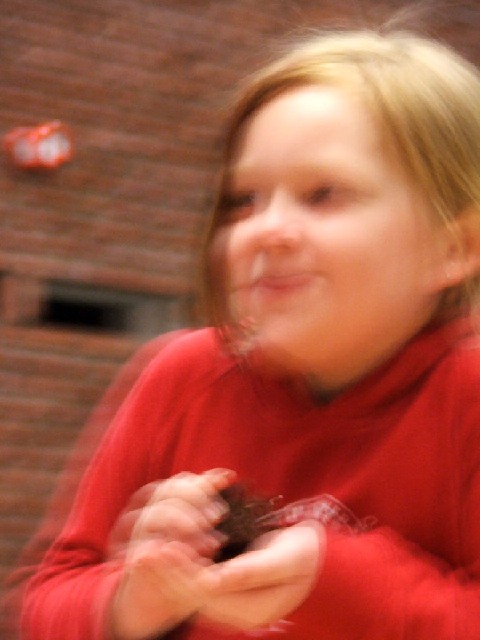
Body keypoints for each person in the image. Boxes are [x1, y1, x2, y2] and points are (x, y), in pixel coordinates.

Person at [17, 26, 480, 640]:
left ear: (454, 248)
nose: (266, 230)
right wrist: (137, 599)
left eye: (323, 194)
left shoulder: (466, 401)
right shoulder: (182, 377)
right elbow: (49, 599)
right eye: (244, 200)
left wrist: (336, 582)